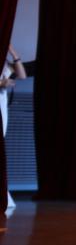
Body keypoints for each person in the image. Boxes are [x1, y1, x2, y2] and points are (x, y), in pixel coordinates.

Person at [1, 46, 27, 214]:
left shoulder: (5, 64)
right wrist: (1, 83)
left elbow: (22, 75)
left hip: (1, 105)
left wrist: (13, 53)